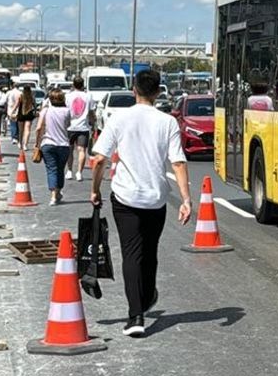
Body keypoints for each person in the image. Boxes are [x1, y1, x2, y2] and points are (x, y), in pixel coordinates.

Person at [90, 69, 192, 338]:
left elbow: (99, 159)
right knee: (149, 252)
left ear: (134, 90)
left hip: (125, 197)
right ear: (158, 93)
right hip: (156, 199)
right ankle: (147, 296)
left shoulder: (118, 118)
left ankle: (136, 315)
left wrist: (95, 189)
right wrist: (186, 200)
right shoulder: (167, 122)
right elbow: (178, 162)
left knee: (132, 253)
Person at [34, 88, 72, 205]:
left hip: (48, 144)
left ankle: (53, 196)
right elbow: (68, 126)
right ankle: (58, 192)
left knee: (51, 169)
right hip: (63, 145)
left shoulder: (45, 111)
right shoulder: (67, 111)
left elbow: (39, 127)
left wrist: (37, 143)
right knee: (60, 169)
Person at [65, 76, 93, 182]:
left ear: (73, 84)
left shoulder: (68, 96)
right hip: (83, 127)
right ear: (83, 85)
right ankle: (79, 173)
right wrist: (93, 123)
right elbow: (91, 113)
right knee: (82, 150)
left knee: (70, 149)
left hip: (70, 127)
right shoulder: (88, 96)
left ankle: (69, 171)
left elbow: (66, 112)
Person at [18, 83, 38, 154]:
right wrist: (35, 111)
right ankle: (25, 145)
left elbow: (17, 105)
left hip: (21, 114)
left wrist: (12, 112)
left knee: (21, 130)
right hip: (29, 114)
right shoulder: (31, 97)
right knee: (27, 130)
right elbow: (35, 105)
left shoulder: (21, 96)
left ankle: (20, 143)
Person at [5, 81, 24, 146]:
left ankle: (14, 138)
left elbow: (5, 101)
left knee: (13, 125)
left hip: (11, 110)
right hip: (19, 111)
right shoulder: (20, 93)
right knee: (18, 125)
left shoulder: (9, 92)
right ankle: (18, 137)